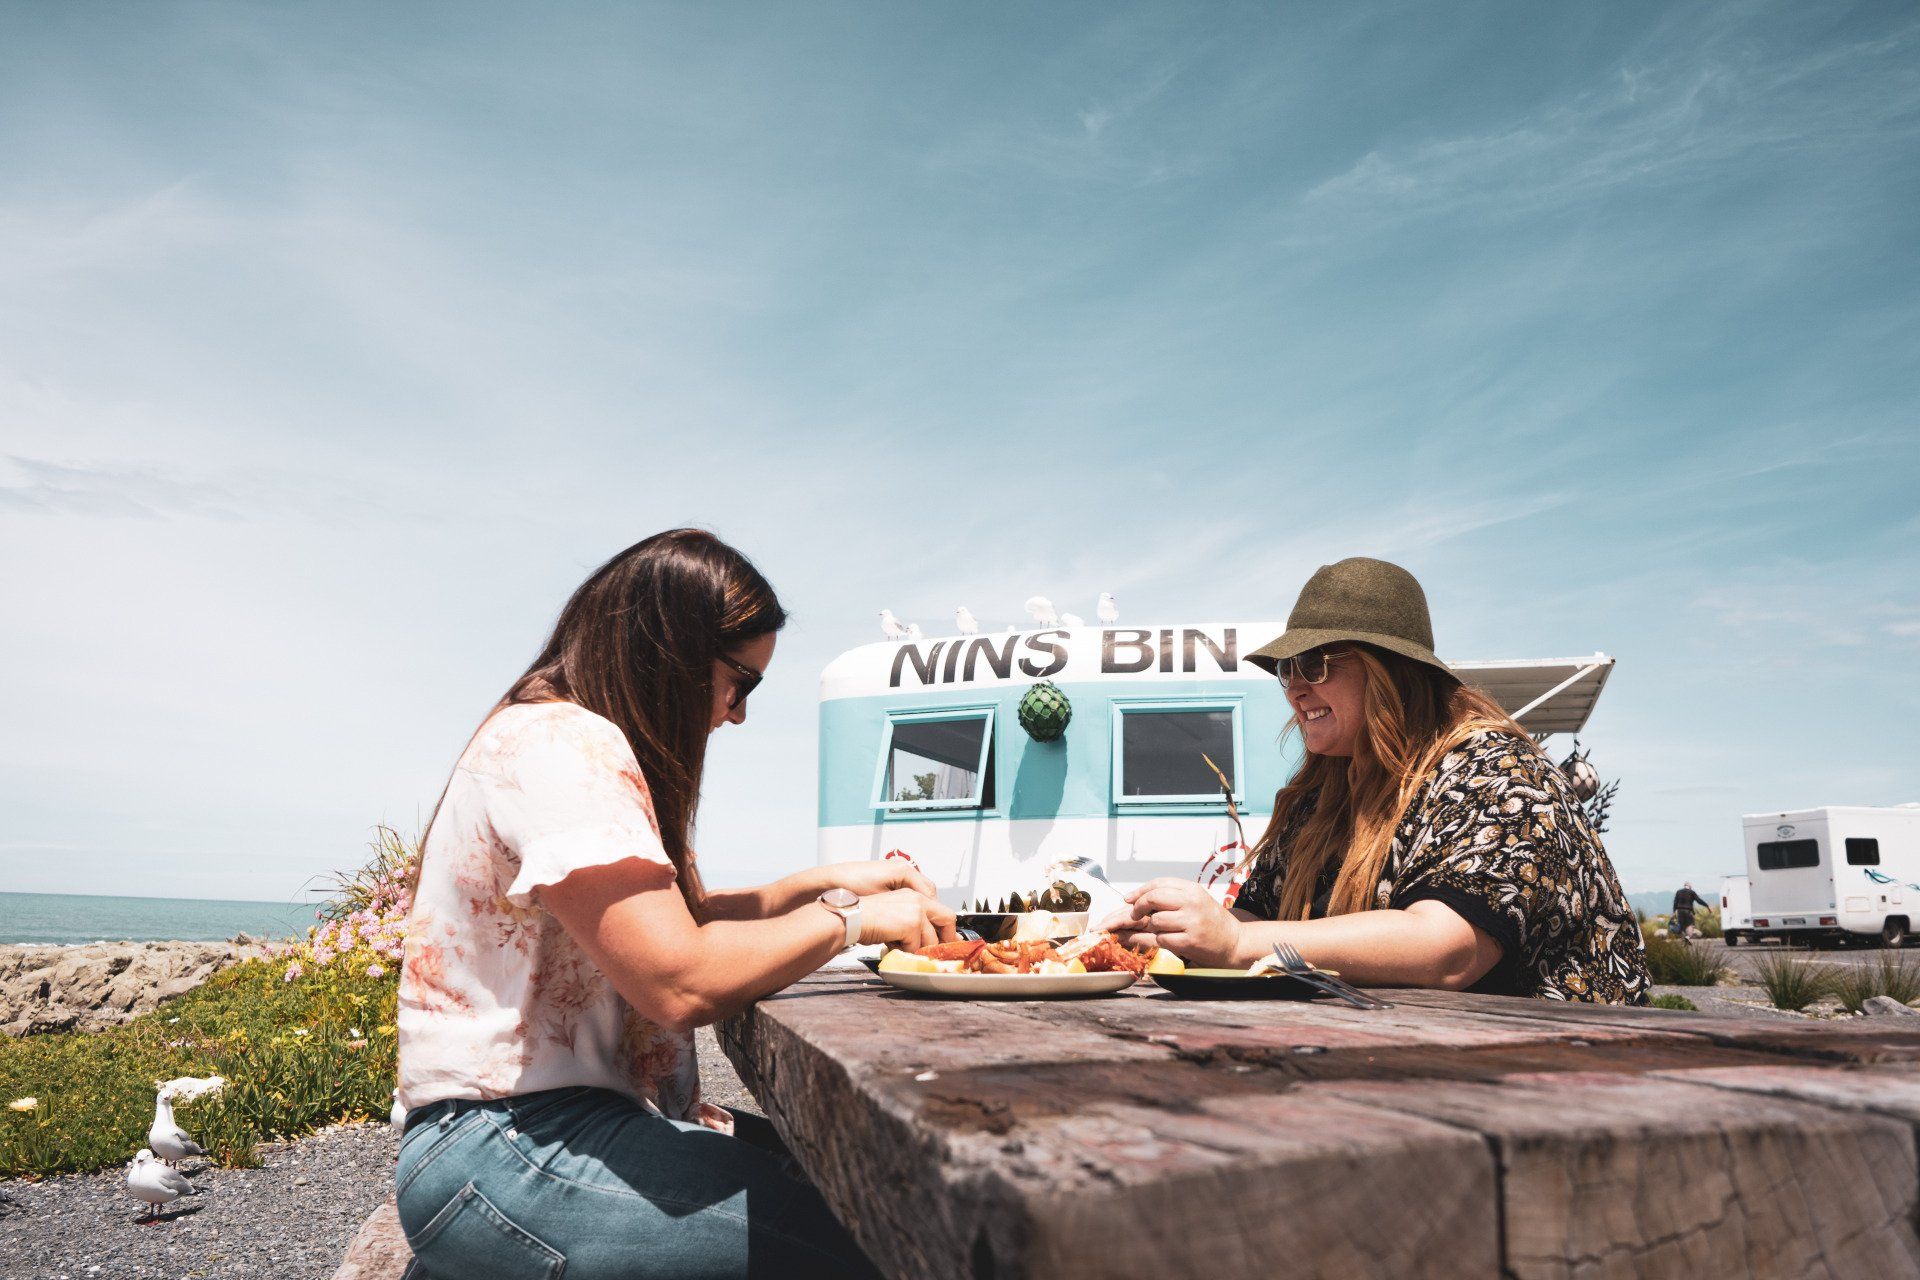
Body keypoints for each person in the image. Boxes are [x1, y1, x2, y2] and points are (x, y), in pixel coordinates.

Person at [393, 529, 955, 1279]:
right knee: (885, 1242)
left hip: (530, 1134)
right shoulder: (560, 745)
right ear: (672, 650)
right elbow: (678, 979)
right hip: (506, 1146)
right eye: (741, 682)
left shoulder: (566, 737)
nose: (738, 713)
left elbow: (672, 925)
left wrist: (822, 886)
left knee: (870, 1184)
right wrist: (850, 921)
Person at [1102, 557, 1650, 1004]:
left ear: (1392, 673)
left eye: (1315, 665)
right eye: (1287, 671)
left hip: (1572, 1076)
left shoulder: (1503, 777)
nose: (1294, 689)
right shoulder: (1321, 793)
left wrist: (1236, 941)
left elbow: (1447, 950)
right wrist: (1172, 929)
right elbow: (1262, 918)